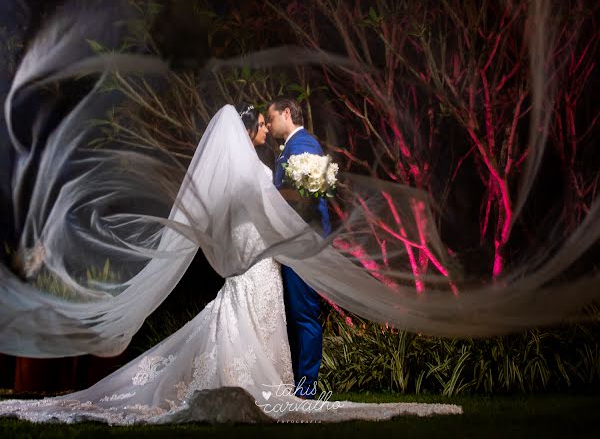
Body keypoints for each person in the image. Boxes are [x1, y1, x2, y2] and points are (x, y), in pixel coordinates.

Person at [0, 103, 461, 424]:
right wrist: (294, 196)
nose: (264, 128)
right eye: (259, 124)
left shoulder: (244, 167)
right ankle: (251, 382)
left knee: (254, 317)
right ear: (247, 129)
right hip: (254, 260)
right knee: (250, 313)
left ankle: (268, 380)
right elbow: (259, 206)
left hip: (259, 260)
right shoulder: (246, 168)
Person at [266, 97, 330, 399]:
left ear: (287, 113)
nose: (268, 124)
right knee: (297, 314)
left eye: (271, 117)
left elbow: (305, 200)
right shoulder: (294, 146)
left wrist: (267, 199)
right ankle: (300, 383)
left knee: (304, 314)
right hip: (295, 242)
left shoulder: (302, 145)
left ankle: (307, 386)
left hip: (303, 242)